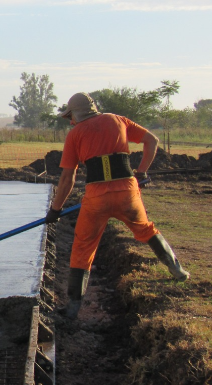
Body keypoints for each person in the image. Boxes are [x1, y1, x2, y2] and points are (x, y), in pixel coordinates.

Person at [45, 92, 189, 319]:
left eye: (70, 116)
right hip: (127, 194)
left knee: (83, 248)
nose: (70, 121)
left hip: (96, 199)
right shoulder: (118, 120)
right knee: (146, 229)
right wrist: (142, 171)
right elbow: (152, 140)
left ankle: (73, 308)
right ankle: (177, 270)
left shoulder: (75, 134)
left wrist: (55, 209)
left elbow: (67, 179)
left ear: (76, 113)